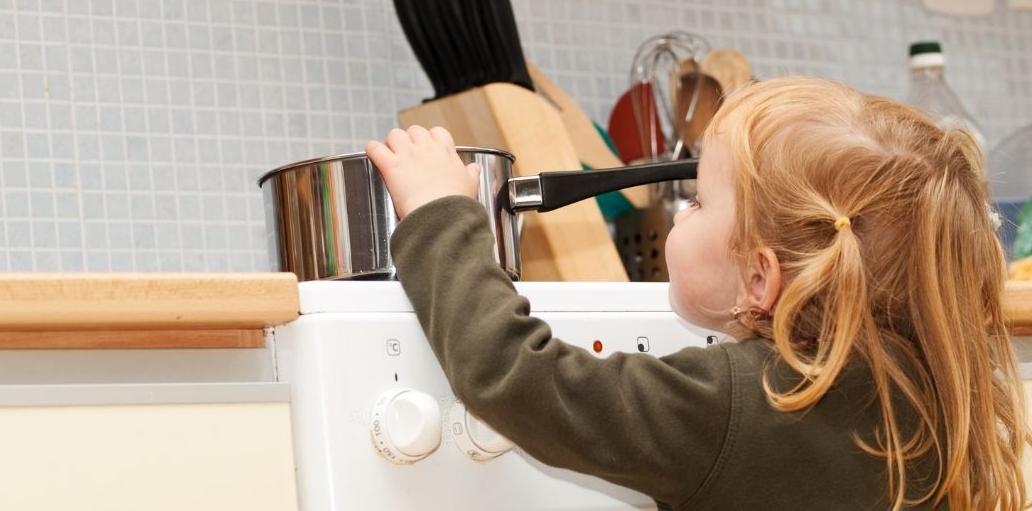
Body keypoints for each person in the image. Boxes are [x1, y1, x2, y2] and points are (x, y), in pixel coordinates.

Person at [365, 76, 1028, 511]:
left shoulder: (730, 402)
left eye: (700, 202)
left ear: (761, 278)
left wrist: (438, 216)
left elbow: (514, 377)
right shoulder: (938, 393)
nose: (681, 214)